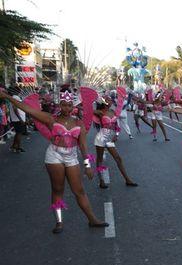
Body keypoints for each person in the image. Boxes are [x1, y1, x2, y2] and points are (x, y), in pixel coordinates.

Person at [0, 88, 108, 234]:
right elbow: (27, 109)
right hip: (54, 156)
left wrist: (87, 165)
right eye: (64, 105)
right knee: (58, 189)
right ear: (59, 105)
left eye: (69, 105)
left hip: (72, 157)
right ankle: (59, 222)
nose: (67, 108)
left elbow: (83, 145)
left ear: (73, 106)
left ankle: (92, 219)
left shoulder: (79, 123)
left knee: (79, 191)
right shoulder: (51, 119)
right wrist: (7, 97)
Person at [94, 95, 138, 189]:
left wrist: (116, 135)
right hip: (101, 137)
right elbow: (87, 111)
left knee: (118, 158)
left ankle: (127, 179)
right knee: (100, 159)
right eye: (107, 100)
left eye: (110, 100)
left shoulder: (112, 111)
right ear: (103, 102)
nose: (110, 102)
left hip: (110, 138)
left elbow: (116, 125)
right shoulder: (100, 112)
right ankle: (101, 181)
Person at [8, 88, 27, 153]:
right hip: (18, 119)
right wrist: (20, 119)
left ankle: (14, 146)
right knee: (19, 133)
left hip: (16, 119)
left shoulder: (13, 97)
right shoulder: (15, 97)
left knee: (18, 133)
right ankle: (18, 147)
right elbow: (15, 108)